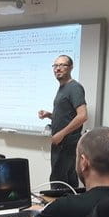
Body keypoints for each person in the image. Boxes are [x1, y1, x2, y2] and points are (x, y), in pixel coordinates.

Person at [38, 55, 88, 187]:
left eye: (62, 65)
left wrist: (61, 134)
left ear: (71, 67)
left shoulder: (74, 87)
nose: (58, 68)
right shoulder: (62, 88)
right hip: (61, 144)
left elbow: (82, 116)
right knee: (66, 182)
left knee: (58, 183)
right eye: (55, 65)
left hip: (66, 144)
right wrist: (49, 115)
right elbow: (67, 116)